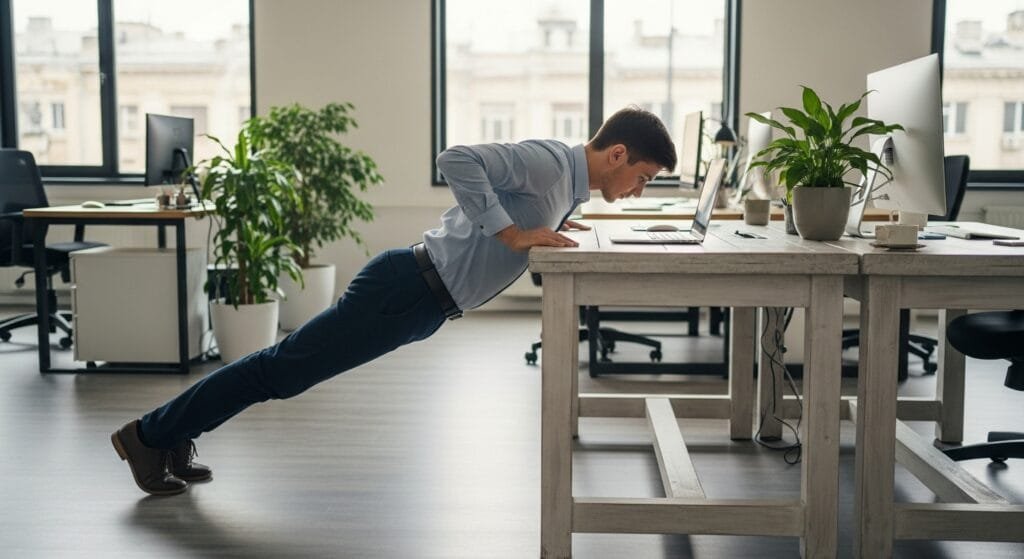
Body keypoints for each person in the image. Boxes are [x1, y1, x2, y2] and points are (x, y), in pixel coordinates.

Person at [111, 106, 677, 496]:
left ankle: (174, 434)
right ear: (619, 154)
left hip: (420, 300)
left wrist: (540, 225)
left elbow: (514, 209)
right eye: (644, 178)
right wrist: (510, 233)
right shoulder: (549, 162)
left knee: (279, 373)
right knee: (277, 373)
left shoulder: (563, 185)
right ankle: (147, 434)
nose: (639, 190)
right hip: (404, 290)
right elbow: (457, 158)